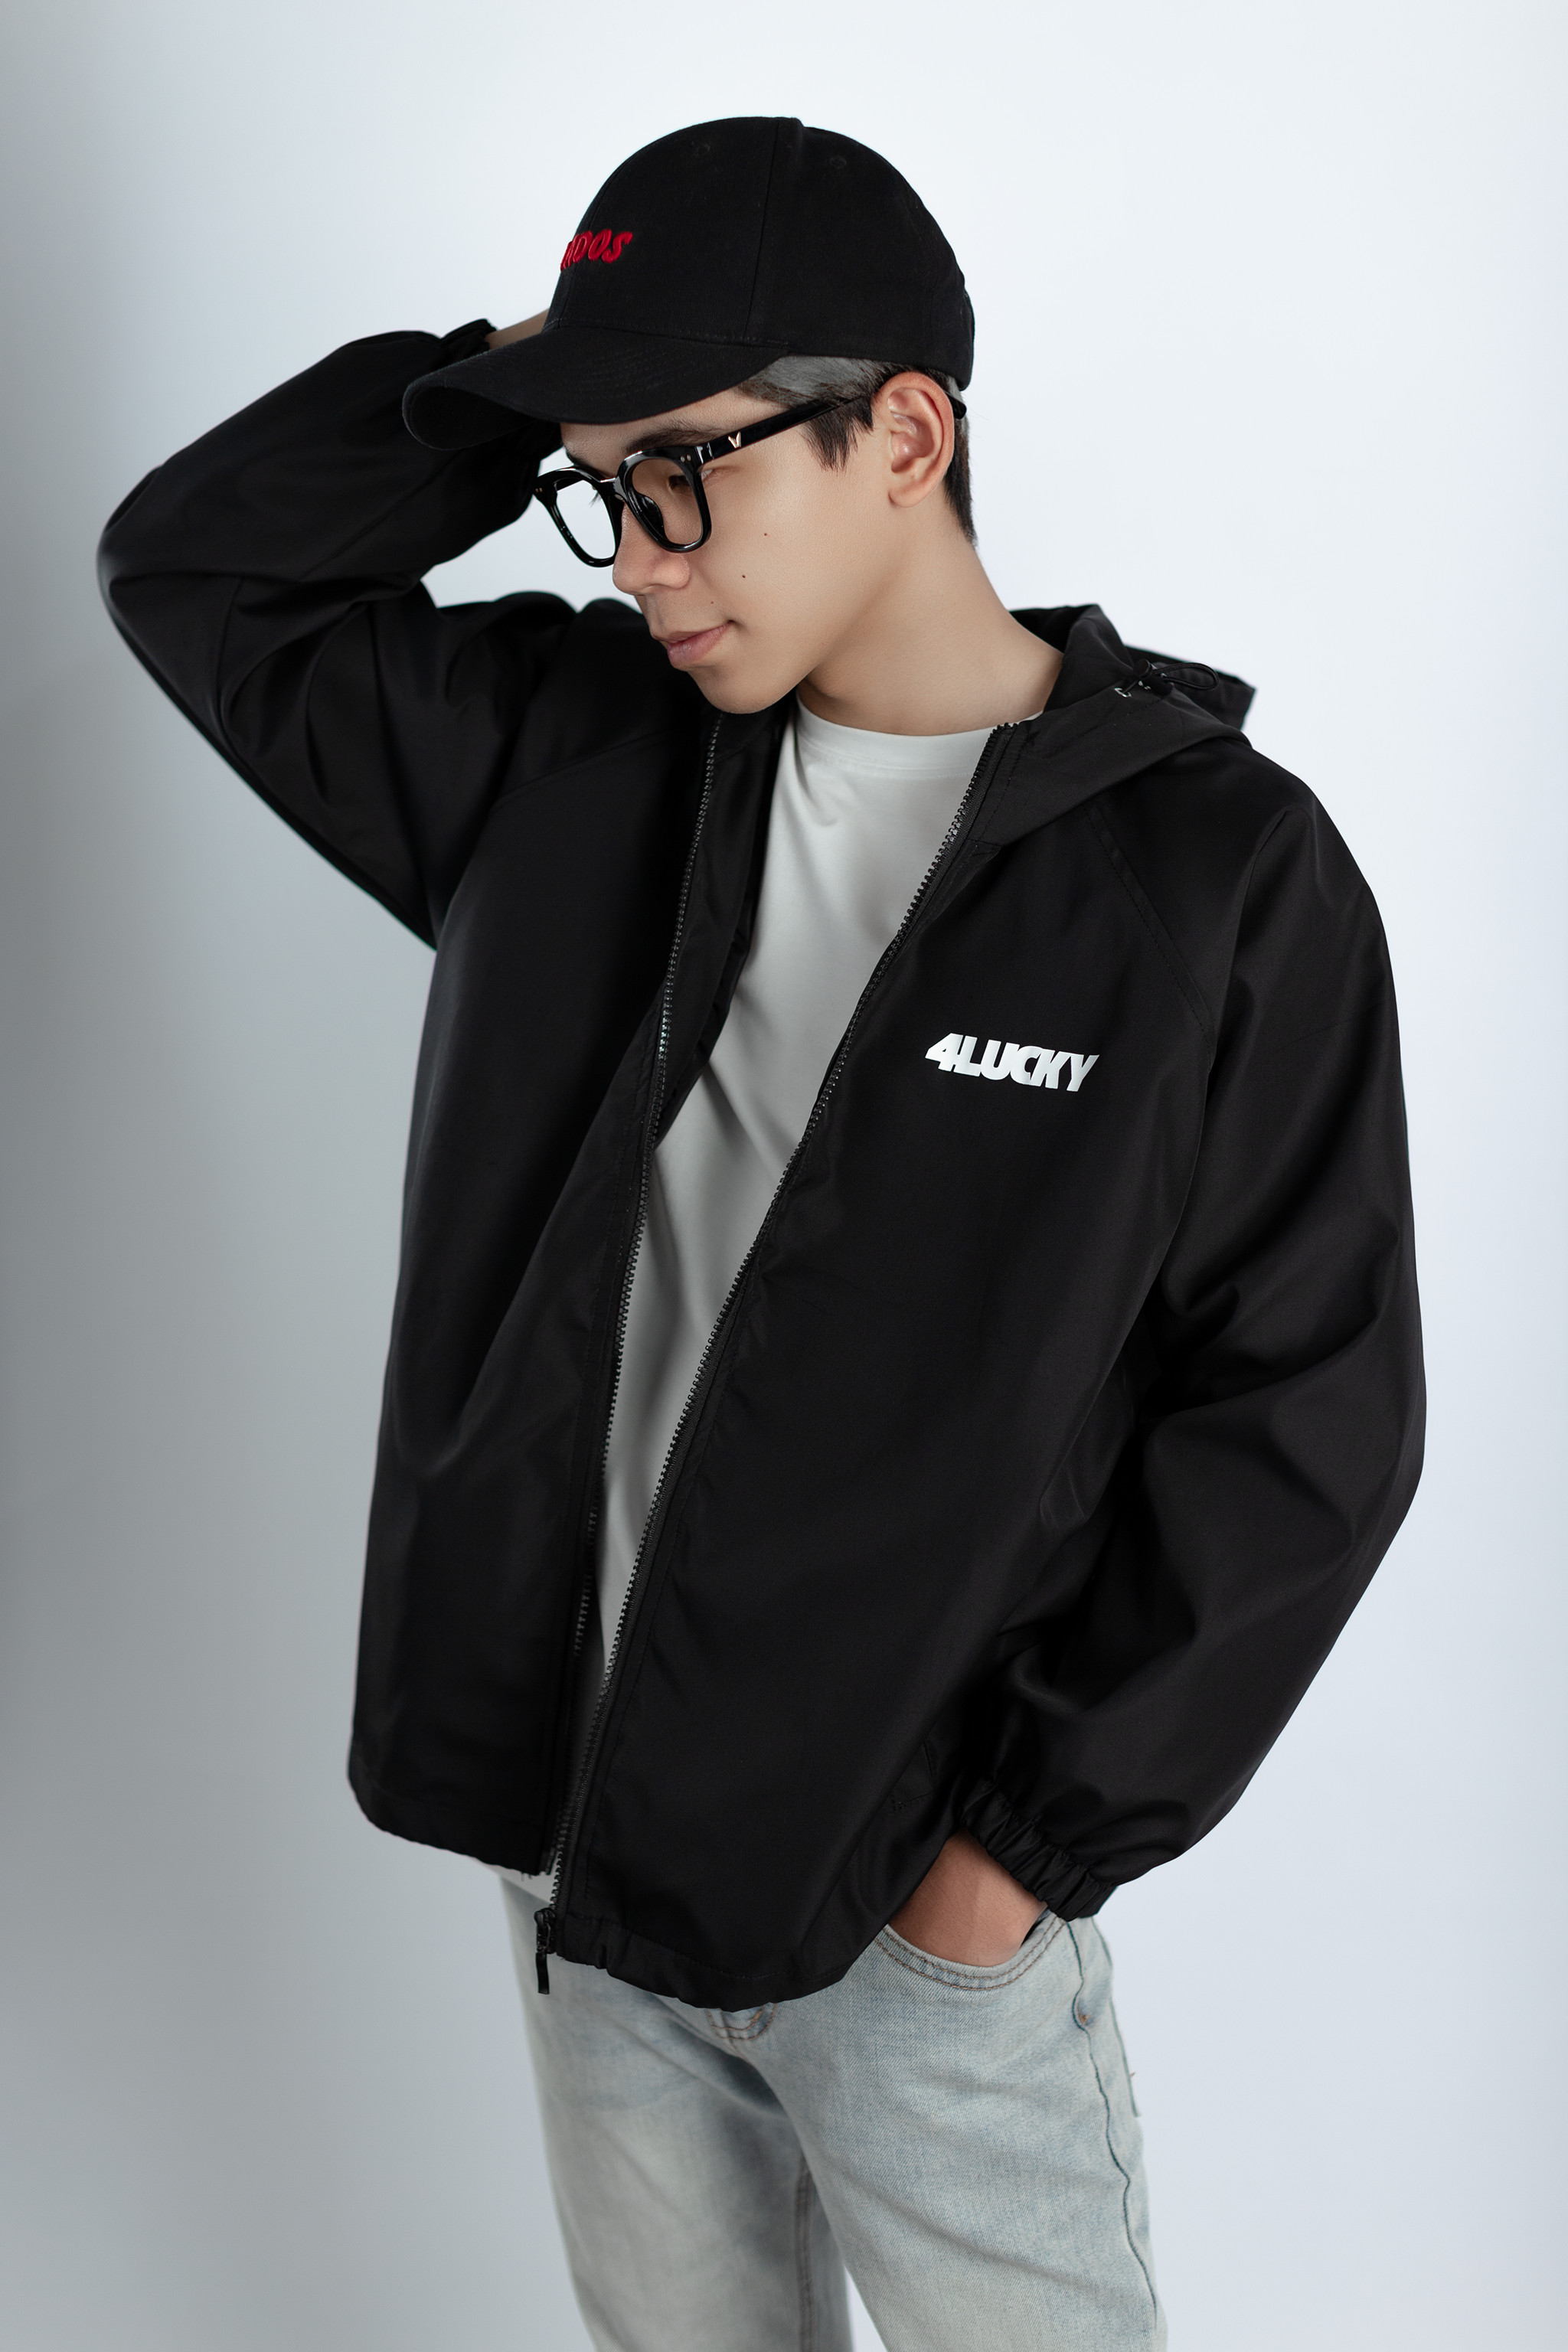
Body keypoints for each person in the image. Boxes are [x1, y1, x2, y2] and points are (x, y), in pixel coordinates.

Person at [98, 115, 1424, 2352]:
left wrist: (1014, 1861)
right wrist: (533, 372)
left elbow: (1306, 1408)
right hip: (577, 1867)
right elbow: (194, 568)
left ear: (903, 436)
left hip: (911, 1920)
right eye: (598, 491)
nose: (637, 559)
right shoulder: (566, 767)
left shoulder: (1211, 878)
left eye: (683, 475)